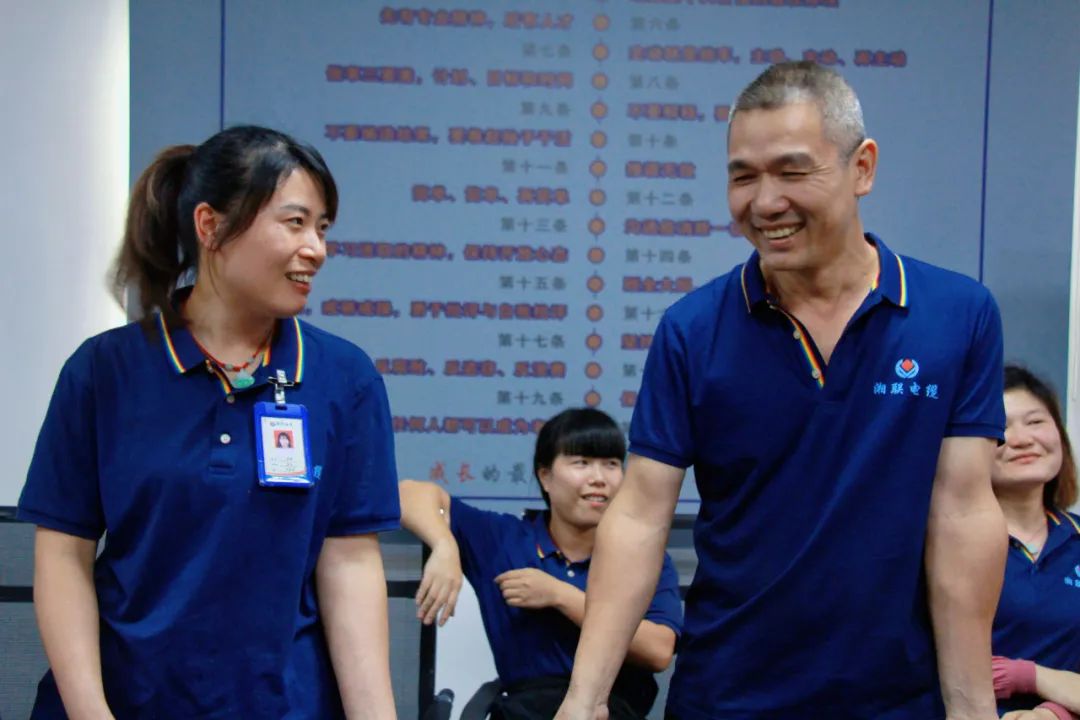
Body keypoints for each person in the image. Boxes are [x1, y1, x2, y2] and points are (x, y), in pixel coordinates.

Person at [555, 61, 1007, 720]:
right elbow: (641, 515)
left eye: (793, 172)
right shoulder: (692, 330)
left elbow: (962, 514)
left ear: (862, 167)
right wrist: (584, 697)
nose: (764, 203)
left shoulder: (956, 315)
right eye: (743, 177)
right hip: (727, 696)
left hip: (896, 701)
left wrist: (973, 707)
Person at [17, 126, 400, 718]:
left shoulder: (344, 378)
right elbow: (64, 555)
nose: (317, 249)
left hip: (282, 704)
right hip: (127, 700)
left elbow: (349, 562)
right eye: (295, 223)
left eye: (322, 228)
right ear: (210, 225)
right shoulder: (105, 370)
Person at [399, 408, 682, 719]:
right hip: (524, 710)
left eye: (611, 464)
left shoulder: (640, 555)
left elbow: (659, 651)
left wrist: (560, 596)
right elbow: (408, 493)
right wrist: (444, 546)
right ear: (545, 476)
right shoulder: (504, 539)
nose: (599, 479)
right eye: (582, 463)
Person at [989, 365, 1080, 720]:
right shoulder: (938, 544)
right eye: (1001, 427)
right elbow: (916, 663)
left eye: (1036, 422)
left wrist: (1054, 711)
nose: (1022, 439)